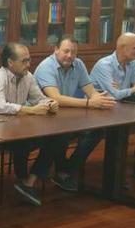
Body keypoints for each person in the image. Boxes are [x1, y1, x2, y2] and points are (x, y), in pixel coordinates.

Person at [34, 35, 115, 191]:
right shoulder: (46, 67)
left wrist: (100, 99)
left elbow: (91, 91)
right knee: (63, 133)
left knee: (97, 130)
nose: (70, 56)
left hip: (70, 117)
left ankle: (67, 170)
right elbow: (56, 98)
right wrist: (89, 103)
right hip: (46, 118)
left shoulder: (78, 64)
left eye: (74, 52)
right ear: (56, 50)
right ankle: (61, 173)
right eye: (66, 51)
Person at [0, 42, 58, 206]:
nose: (28, 65)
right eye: (24, 61)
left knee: (55, 139)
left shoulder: (28, 77)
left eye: (29, 60)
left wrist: (50, 103)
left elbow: (39, 98)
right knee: (24, 143)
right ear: (10, 62)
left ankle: (28, 182)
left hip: (19, 128)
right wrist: (32, 110)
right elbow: (0, 106)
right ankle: (22, 181)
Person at [90, 33, 135, 181]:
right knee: (120, 131)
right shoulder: (104, 65)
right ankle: (115, 177)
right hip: (100, 114)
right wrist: (131, 89)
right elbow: (115, 95)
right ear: (122, 48)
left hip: (122, 111)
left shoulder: (133, 64)